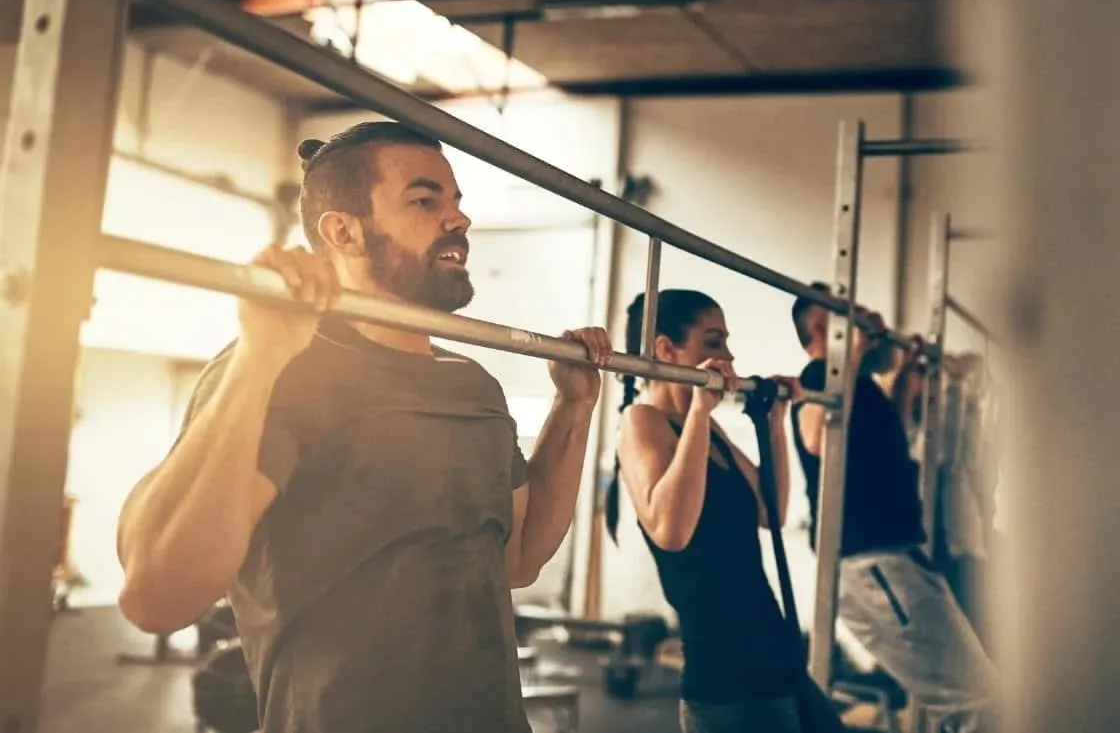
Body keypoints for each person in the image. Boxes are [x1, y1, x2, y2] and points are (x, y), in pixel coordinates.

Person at [115, 121, 612, 733]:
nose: (459, 221)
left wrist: (574, 410)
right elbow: (158, 597)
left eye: (457, 204)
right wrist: (260, 356)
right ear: (343, 231)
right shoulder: (284, 368)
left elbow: (520, 561)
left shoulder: (473, 385)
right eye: (425, 201)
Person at [790, 284, 998, 733]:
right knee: (976, 700)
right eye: (855, 318)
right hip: (871, 564)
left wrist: (903, 374)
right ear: (824, 329)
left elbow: (894, 438)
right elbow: (813, 437)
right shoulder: (817, 376)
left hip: (897, 557)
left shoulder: (859, 383)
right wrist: (855, 354)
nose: (869, 324)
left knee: (975, 694)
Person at [605, 290, 810, 733]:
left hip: (774, 659)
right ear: (665, 349)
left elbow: (769, 510)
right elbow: (672, 531)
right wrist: (699, 409)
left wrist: (774, 422)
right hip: (724, 676)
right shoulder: (641, 421)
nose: (729, 355)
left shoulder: (706, 428)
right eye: (713, 342)